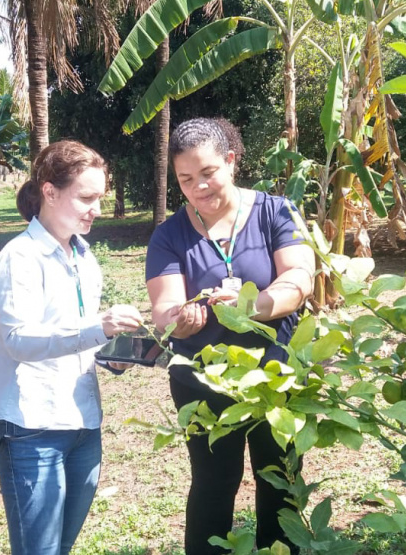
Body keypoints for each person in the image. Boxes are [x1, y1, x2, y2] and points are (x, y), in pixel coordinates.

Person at [146, 118, 315, 554]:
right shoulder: (169, 236)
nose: (198, 187)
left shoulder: (275, 212)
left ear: (231, 161)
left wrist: (251, 305)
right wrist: (180, 319)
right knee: (213, 483)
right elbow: (164, 310)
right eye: (185, 179)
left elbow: (300, 277)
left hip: (277, 375)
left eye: (207, 173)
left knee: (280, 477)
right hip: (203, 381)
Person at [0, 140, 143, 555]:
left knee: (61, 547)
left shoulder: (84, 256)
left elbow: (81, 338)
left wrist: (119, 352)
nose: (97, 209)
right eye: (86, 198)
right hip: (31, 427)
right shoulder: (19, 258)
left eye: (100, 199)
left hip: (83, 423)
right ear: (50, 191)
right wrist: (98, 327)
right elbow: (19, 339)